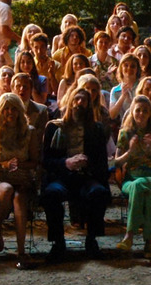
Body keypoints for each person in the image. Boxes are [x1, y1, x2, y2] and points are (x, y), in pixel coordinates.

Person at [41, 88, 111, 261]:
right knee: (51, 194)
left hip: (86, 176)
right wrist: (66, 163)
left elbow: (102, 161)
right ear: (70, 101)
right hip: (61, 176)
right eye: (76, 99)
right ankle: (58, 243)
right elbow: (45, 161)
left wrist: (87, 163)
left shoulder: (96, 129)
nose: (80, 103)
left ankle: (91, 240)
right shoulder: (54, 127)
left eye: (84, 100)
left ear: (89, 105)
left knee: (99, 192)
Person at [115, 94, 151, 258]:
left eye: (145, 111)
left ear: (150, 114)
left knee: (142, 185)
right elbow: (116, 163)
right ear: (132, 111)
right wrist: (130, 151)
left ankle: (129, 235)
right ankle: (148, 242)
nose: (141, 114)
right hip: (130, 178)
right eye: (138, 110)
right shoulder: (125, 134)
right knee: (142, 190)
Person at [0, 93, 38, 269]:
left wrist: (20, 164)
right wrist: (4, 164)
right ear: (1, 110)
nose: (10, 112)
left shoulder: (29, 132)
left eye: (14, 108)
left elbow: (35, 161)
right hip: (0, 178)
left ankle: (21, 251)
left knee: (19, 200)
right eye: (6, 108)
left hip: (22, 178)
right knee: (7, 190)